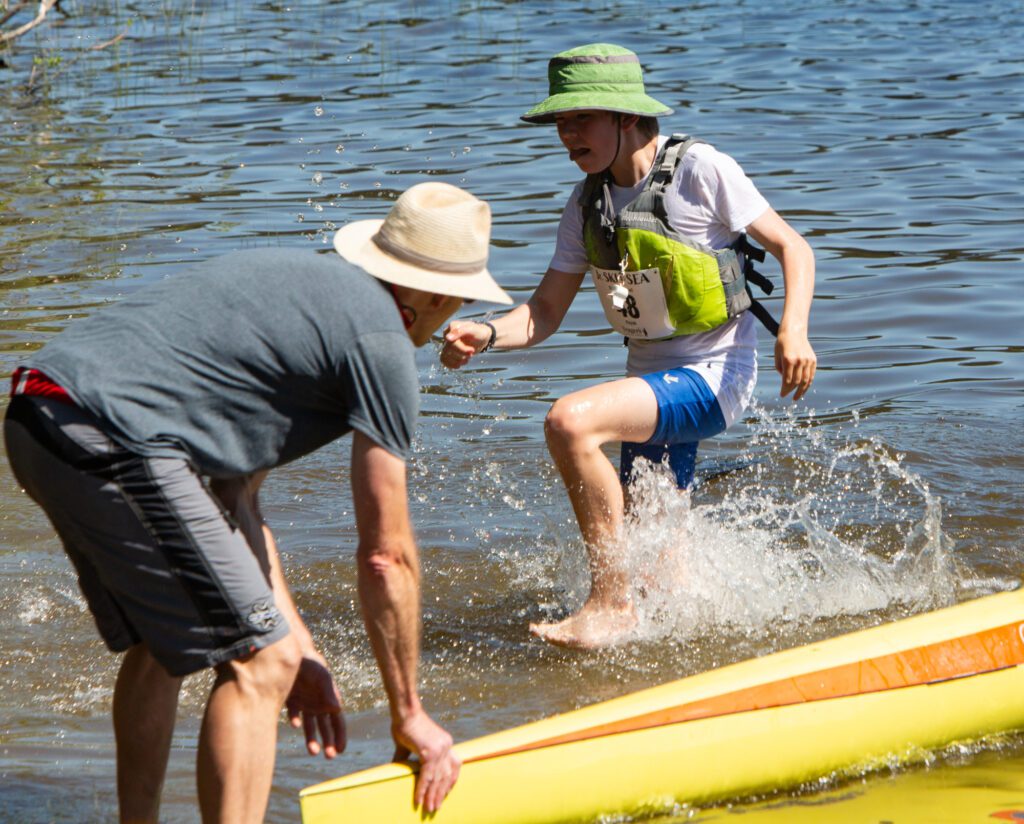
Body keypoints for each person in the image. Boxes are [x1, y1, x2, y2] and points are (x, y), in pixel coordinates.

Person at [4, 181, 512, 823]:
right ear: (439, 295)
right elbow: (388, 556)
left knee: (167, 643)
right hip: (111, 435)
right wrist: (408, 712)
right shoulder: (381, 344)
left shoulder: (302, 295)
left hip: (37, 416)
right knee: (258, 662)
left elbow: (236, 505)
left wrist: (303, 646)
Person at [441, 43, 816, 650]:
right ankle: (684, 643)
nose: (566, 136)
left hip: (715, 375)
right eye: (560, 123)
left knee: (570, 422)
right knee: (660, 577)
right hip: (653, 386)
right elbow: (542, 314)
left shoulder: (702, 170)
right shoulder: (585, 204)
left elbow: (793, 248)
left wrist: (794, 331)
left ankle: (607, 605)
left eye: (579, 119)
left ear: (624, 117)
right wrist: (483, 334)